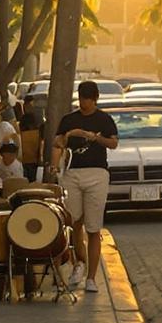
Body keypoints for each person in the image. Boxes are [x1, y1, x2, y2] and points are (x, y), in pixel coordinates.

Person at [57, 81, 120, 296]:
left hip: (97, 174)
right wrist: (66, 141)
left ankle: (92, 277)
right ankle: (78, 264)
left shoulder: (104, 119)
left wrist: (93, 137)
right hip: (73, 173)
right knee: (74, 221)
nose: (84, 102)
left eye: (87, 98)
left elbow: (113, 143)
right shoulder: (69, 119)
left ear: (95, 99)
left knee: (93, 228)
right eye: (81, 97)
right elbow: (58, 142)